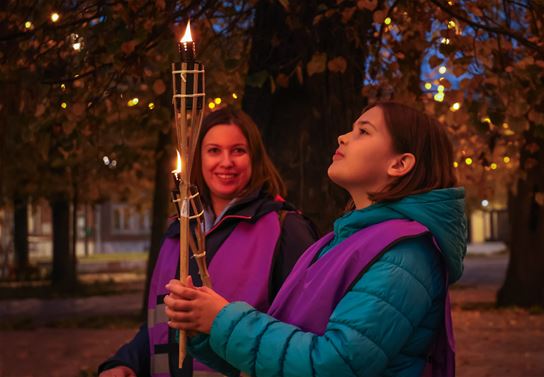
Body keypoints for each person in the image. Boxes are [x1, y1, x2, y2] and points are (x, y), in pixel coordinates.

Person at [165, 102, 467, 377]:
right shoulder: (335, 243)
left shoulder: (405, 254)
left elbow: (334, 364)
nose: (343, 137)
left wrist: (223, 321)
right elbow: (277, 358)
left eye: (363, 131)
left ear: (399, 164)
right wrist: (203, 328)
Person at [98, 107, 318, 377]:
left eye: (238, 150)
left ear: (255, 158)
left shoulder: (286, 228)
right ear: (198, 158)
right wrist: (127, 361)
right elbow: (161, 324)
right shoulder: (178, 231)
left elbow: (302, 336)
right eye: (214, 150)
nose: (226, 162)